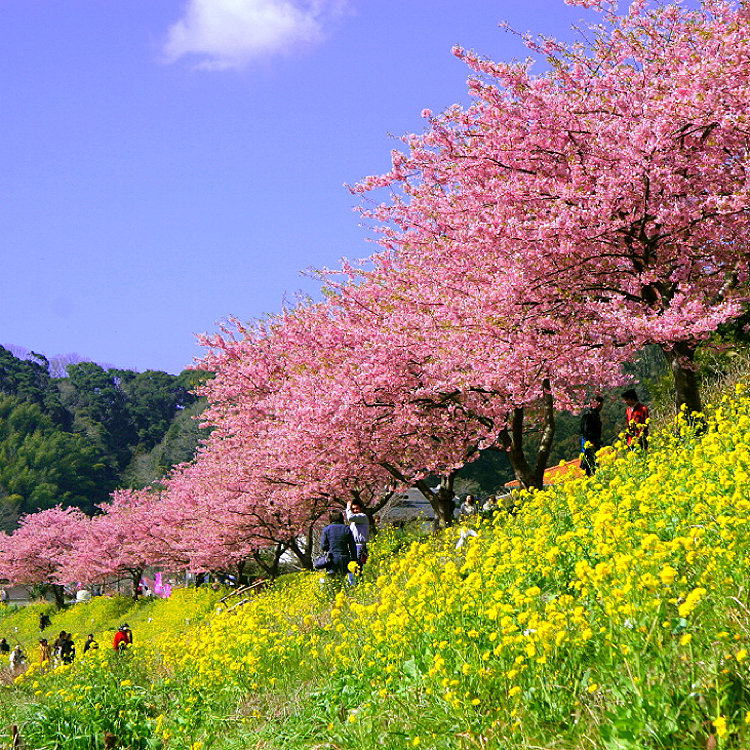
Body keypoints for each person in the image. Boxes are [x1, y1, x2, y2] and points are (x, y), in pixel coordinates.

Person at [319, 510, 357, 577]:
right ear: (341, 518)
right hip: (345, 558)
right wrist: (354, 559)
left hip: (332, 559)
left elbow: (323, 546)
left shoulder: (326, 529)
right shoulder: (346, 529)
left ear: (330, 518)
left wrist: (330, 548)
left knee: (333, 583)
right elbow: (352, 546)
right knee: (344, 580)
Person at [580, 395, 604, 476]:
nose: (601, 407)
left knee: (594, 463)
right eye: (600, 405)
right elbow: (585, 430)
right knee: (589, 464)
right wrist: (591, 441)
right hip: (590, 442)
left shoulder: (595, 414)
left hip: (594, 442)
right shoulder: (589, 415)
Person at [345, 499, 370, 567]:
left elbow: (350, 517)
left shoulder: (362, 516)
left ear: (360, 509)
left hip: (360, 546)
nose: (355, 511)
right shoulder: (354, 521)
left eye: (357, 508)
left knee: (358, 566)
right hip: (353, 546)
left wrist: (348, 507)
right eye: (353, 509)